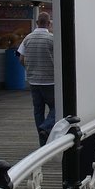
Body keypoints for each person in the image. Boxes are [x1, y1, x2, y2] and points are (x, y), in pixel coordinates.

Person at [18, 12, 55, 146]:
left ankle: (42, 142)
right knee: (56, 108)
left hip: (33, 81)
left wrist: (29, 69)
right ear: (49, 23)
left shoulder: (27, 38)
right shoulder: (52, 39)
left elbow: (21, 58)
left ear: (37, 23)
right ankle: (46, 128)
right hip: (50, 81)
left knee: (38, 110)